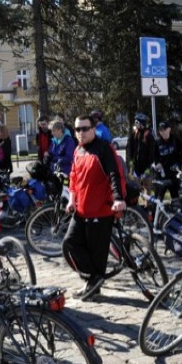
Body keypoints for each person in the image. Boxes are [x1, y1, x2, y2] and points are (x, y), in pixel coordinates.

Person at [63, 114, 125, 301]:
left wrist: (118, 199)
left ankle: (93, 286)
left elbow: (114, 174)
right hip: (81, 209)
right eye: (77, 129)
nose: (80, 132)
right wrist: (71, 200)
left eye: (85, 128)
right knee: (70, 243)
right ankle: (94, 278)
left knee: (96, 253)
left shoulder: (103, 149)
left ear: (93, 129)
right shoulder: (78, 150)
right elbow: (73, 178)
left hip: (100, 209)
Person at [151, 121, 182, 200]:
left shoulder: (175, 140)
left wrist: (178, 164)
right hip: (161, 176)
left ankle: (175, 211)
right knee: (158, 200)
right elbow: (153, 156)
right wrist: (157, 163)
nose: (163, 132)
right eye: (161, 130)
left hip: (173, 175)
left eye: (164, 129)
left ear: (169, 129)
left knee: (175, 198)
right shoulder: (157, 142)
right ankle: (156, 212)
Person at [127, 112, 155, 177]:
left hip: (146, 166)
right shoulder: (135, 134)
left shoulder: (149, 135)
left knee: (146, 185)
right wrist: (130, 160)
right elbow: (130, 148)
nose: (135, 124)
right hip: (136, 165)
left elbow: (152, 152)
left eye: (137, 122)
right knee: (135, 184)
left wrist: (149, 166)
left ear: (142, 123)